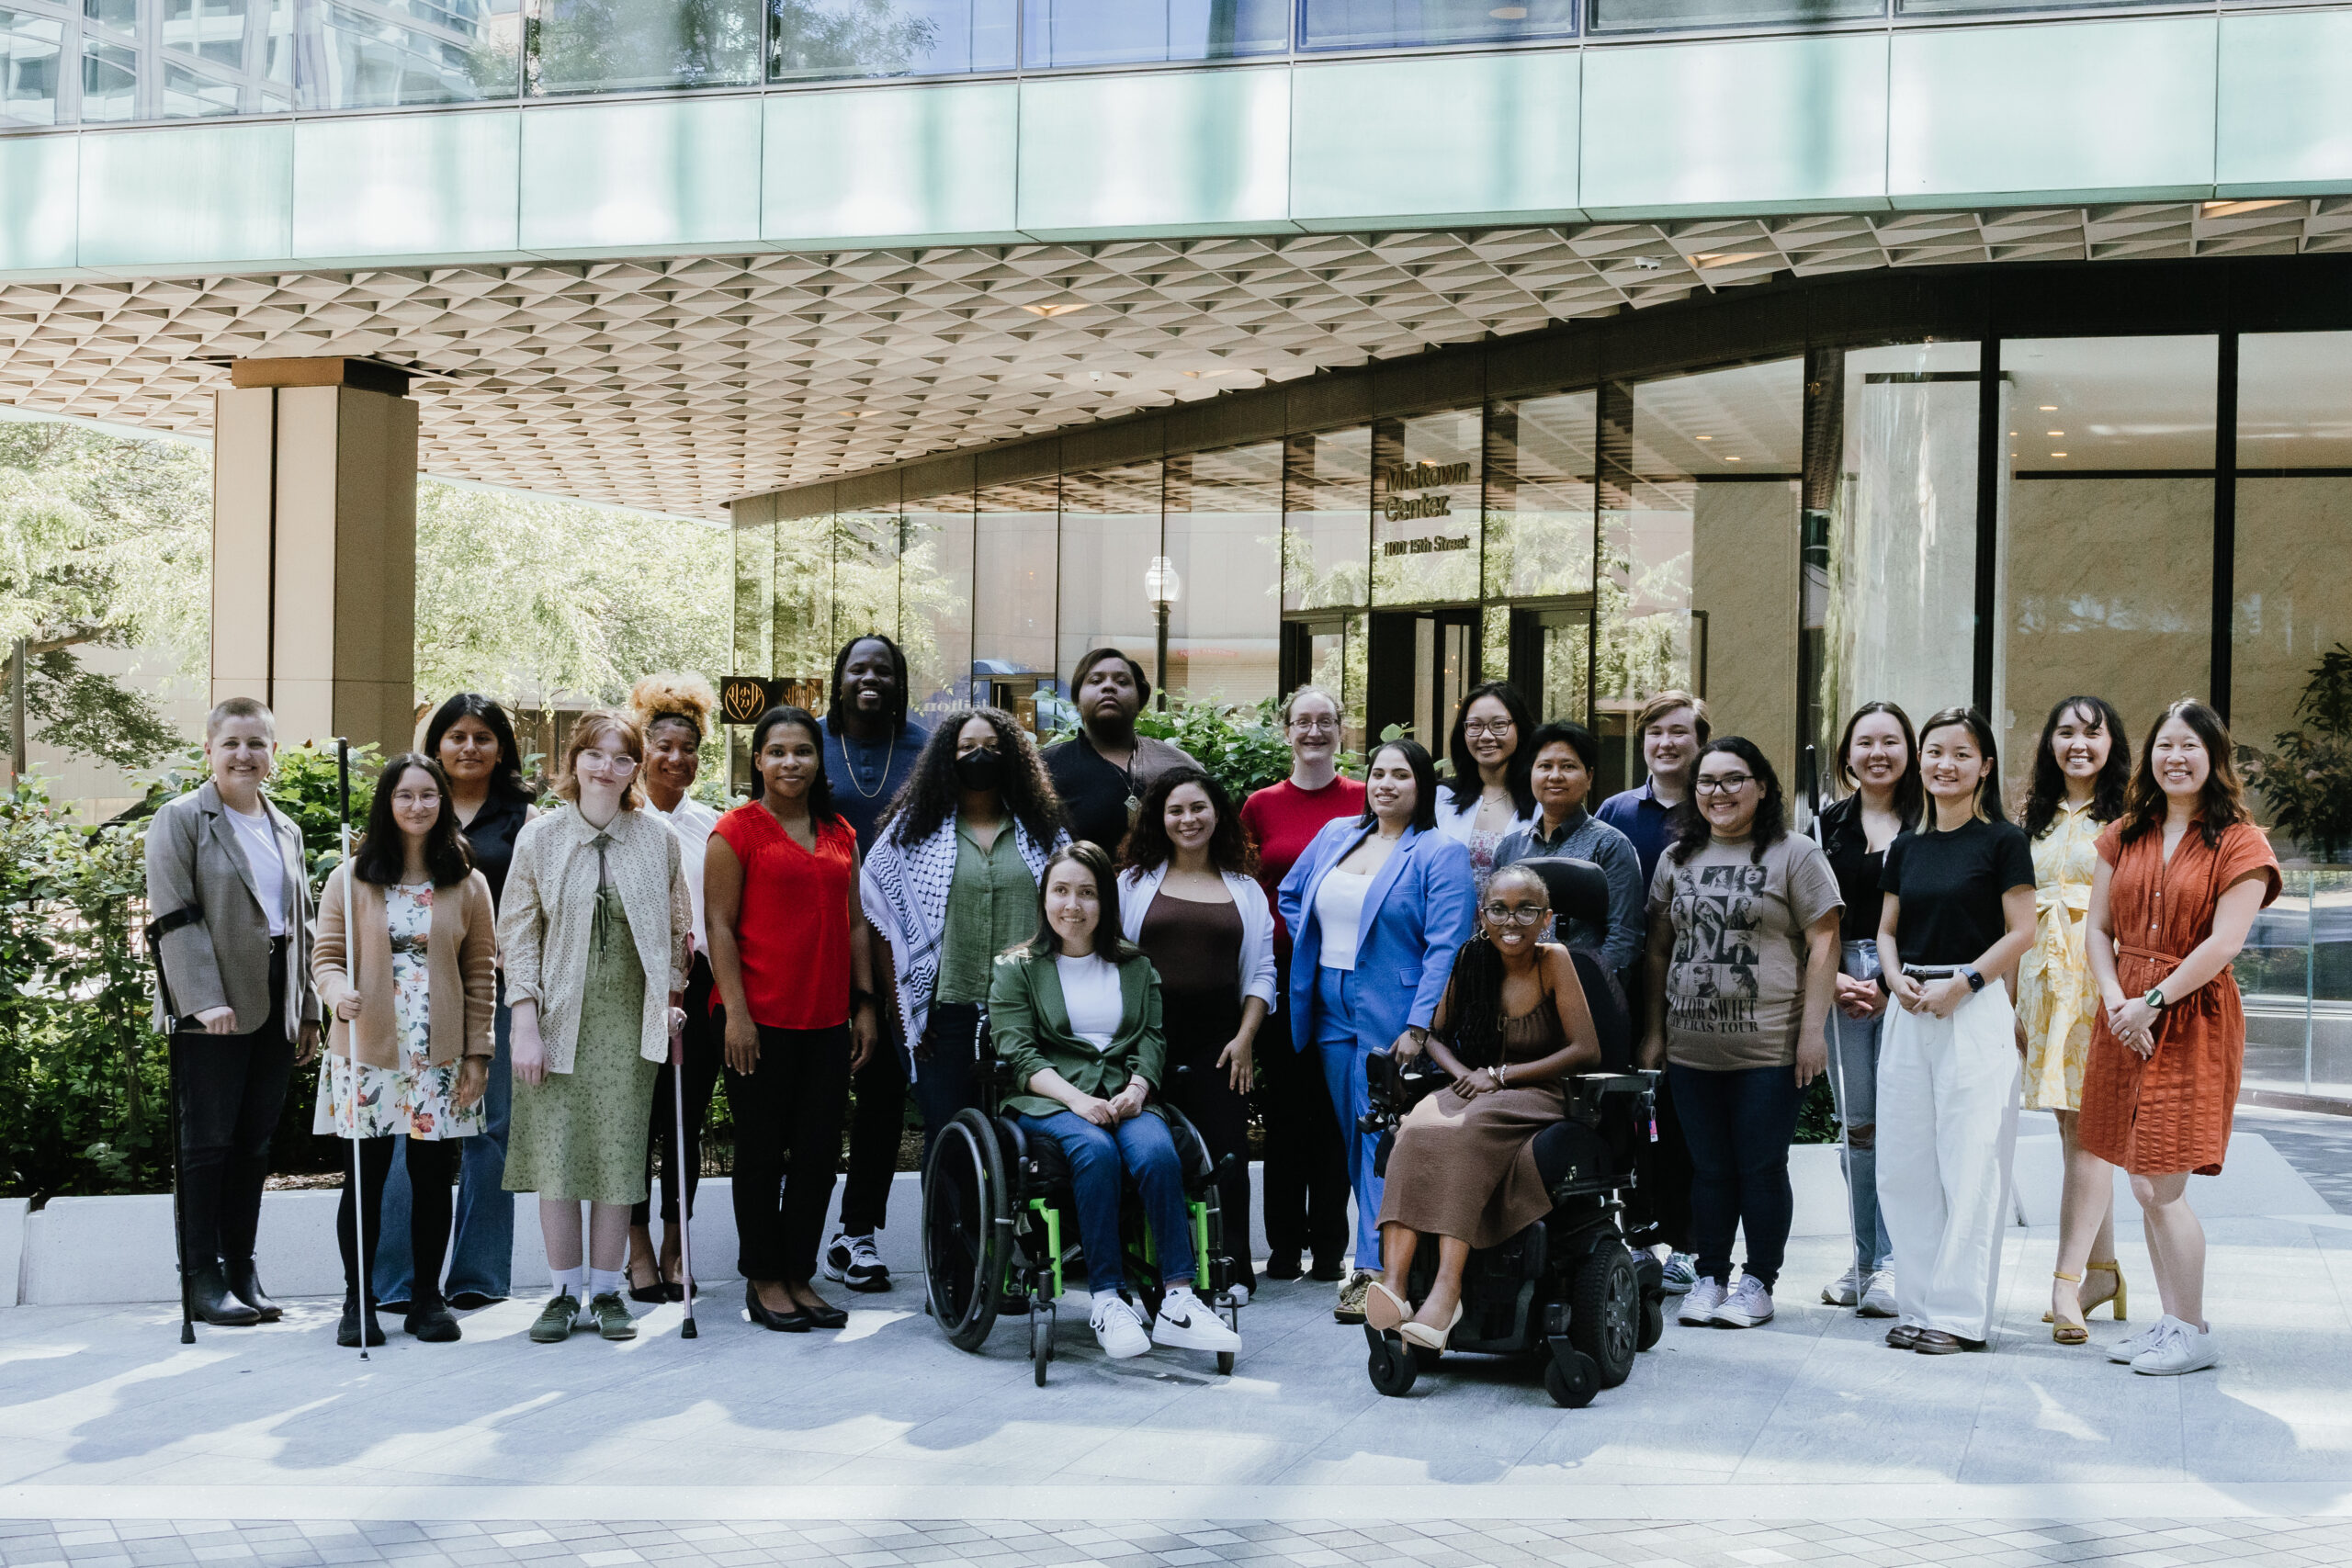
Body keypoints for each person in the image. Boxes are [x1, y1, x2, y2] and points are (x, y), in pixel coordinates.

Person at [2067, 701, 2279, 1374]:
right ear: (2149, 756)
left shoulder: (2241, 842)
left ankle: (2191, 1329)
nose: (2176, 757)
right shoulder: (2125, 833)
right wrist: (2116, 1000)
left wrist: (2153, 1000)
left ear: (2215, 757)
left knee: (2164, 1185)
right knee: (2140, 1181)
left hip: (2189, 1018)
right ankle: (2171, 1321)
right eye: (2165, 745)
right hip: (2124, 1014)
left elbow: (2225, 942)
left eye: (2191, 745)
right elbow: (2097, 928)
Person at [988, 843, 1243, 1362]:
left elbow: (1152, 1038)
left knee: (1156, 1152)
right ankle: (1107, 1299)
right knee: (1095, 1153)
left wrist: (1137, 1090)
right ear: (1045, 898)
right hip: (1052, 1100)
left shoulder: (1135, 967)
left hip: (1127, 1098)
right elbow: (1017, 1050)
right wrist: (1077, 1099)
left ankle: (1178, 1298)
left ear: (1106, 902)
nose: (1073, 906)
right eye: (1061, 891)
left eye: (1087, 893)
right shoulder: (1017, 968)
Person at [499, 712, 693, 1345]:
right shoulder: (541, 838)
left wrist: (672, 998)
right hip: (557, 1018)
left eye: (621, 758)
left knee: (617, 1159)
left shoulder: (657, 838)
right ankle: (560, 1292)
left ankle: (607, 1290)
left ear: (636, 768)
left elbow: (675, 930)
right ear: (574, 759)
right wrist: (524, 1024)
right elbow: (518, 937)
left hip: (626, 1023)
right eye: (594, 755)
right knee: (557, 1159)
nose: (606, 768)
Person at [1641, 739, 1841, 1330]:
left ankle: (1759, 1281)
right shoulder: (1676, 857)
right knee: (1708, 1169)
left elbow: (1825, 940)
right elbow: (1657, 949)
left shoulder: (1794, 854)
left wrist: (1813, 1034)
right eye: (1706, 782)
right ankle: (1709, 1276)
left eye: (1733, 780)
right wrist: (1653, 1032)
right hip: (1691, 1045)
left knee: (1759, 1165)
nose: (1718, 793)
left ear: (1762, 787)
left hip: (1770, 1046)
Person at [1278, 738, 1476, 1324]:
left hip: (1392, 1016)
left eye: (1401, 776)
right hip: (1328, 1007)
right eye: (1378, 773)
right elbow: (1292, 895)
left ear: (1423, 789)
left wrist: (1419, 1024)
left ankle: (1373, 1274)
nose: (1386, 784)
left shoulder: (1438, 852)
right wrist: (1318, 945)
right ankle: (1378, 1264)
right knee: (1351, 1132)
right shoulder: (1338, 834)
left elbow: (1448, 944)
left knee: (1378, 1140)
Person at [1370, 864, 1603, 1349]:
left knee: (1462, 1132)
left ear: (1547, 918)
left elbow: (1586, 1049)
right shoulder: (1471, 959)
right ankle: (1393, 1283)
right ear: (1482, 915)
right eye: (1499, 909)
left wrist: (1501, 1076)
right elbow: (1428, 1033)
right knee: (1414, 1127)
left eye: (1526, 910)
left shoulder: (1554, 960)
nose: (1511, 921)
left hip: (1536, 1090)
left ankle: (1447, 1290)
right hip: (1474, 1086)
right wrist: (1460, 1075)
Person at [142, 696, 321, 1326]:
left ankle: (241, 1266)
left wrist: (308, 1009)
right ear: (209, 750)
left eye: (257, 743)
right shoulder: (183, 818)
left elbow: (299, 923)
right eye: (232, 743)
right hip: (213, 999)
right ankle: (201, 1277)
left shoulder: (287, 828)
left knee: (253, 1144)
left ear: (273, 753)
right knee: (206, 1143)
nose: (244, 754)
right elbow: (174, 915)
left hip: (276, 999)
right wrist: (202, 998)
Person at [311, 753, 496, 1347]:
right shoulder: (350, 877)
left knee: (429, 1176)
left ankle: (425, 1298)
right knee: (362, 1179)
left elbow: (480, 974)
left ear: (442, 803)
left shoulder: (467, 882)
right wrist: (338, 993)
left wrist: (477, 1053)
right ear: (386, 804)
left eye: (428, 795)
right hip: (365, 1046)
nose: (417, 805)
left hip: (439, 1051)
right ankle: (356, 1299)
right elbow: (326, 958)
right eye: (404, 795)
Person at [708, 705, 879, 1333]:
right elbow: (719, 927)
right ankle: (763, 1277)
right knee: (758, 1155)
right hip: (759, 1023)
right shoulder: (736, 831)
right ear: (758, 760)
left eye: (802, 750)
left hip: (827, 1021)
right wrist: (737, 1015)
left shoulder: (839, 832)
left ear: (818, 760)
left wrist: (864, 1005)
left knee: (816, 1155)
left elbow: (856, 922)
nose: (790, 762)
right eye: (776, 750)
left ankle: (800, 1272)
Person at [1874, 705, 2037, 1355]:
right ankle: (1917, 1305)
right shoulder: (1906, 847)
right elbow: (1887, 929)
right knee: (1905, 1165)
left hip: (1973, 1005)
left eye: (1961, 754)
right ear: (1922, 762)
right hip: (1911, 1005)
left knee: (1971, 1164)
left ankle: (1960, 1315)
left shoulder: (2002, 841)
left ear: (1985, 767)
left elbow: (2022, 930)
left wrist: (1963, 984)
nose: (1946, 764)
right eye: (1935, 752)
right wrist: (1894, 979)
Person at [374, 694, 535, 1314]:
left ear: (502, 748)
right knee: (403, 1128)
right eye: (457, 735)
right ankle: (396, 1280)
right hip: (411, 993)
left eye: (483, 736)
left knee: (489, 1130)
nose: (469, 747)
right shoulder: (413, 804)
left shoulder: (524, 816)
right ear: (436, 743)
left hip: (491, 988)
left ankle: (479, 1274)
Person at [861, 707, 1068, 1166]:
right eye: (968, 748)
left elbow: (1073, 906)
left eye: (994, 748)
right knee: (951, 1137)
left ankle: (1012, 1237)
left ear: (1013, 757)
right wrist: (899, 1011)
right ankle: (952, 1237)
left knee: (1028, 1136)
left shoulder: (1041, 830)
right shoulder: (915, 830)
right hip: (944, 1015)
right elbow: (880, 915)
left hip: (1029, 1012)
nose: (981, 756)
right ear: (945, 758)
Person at [1117, 766, 1276, 1301]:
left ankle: (1231, 1270)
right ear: (1159, 820)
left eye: (1199, 808)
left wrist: (1246, 1038)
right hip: (1145, 1042)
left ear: (1218, 815)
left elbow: (1262, 972)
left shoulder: (1246, 890)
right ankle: (1153, 1268)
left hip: (1221, 1044)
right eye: (1176, 810)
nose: (1188, 819)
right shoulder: (1132, 884)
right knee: (1148, 1154)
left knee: (1226, 1157)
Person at [2018, 695, 2133, 1342]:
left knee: (2091, 1128)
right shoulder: (2030, 818)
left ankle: (2066, 1284)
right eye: (2065, 731)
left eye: (2092, 732)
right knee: (2075, 1130)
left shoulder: (2131, 816)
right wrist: (2012, 999)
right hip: (2041, 986)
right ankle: (2102, 1270)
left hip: (2099, 983)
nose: (2078, 743)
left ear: (2113, 742)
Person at [820, 633, 933, 1294]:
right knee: (813, 1096)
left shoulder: (924, 749)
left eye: (883, 669)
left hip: (895, 947)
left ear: (898, 681)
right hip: (812, 940)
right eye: (858, 667)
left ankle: (855, 1233)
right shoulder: (807, 739)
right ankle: (788, 1235)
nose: (871, 678)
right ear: (839, 680)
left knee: (884, 1095)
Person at [1239, 685, 1362, 1284]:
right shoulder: (1260, 805)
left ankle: (1331, 1248)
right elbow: (1243, 888)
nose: (1314, 731)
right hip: (1283, 974)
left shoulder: (1366, 801)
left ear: (1342, 729)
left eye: (1325, 721)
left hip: (1345, 974)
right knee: (1287, 1115)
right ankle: (1284, 1248)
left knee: (1337, 1111)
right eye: (1302, 721)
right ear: (1286, 731)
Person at [1595, 689, 1709, 1294]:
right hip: (1627, 990)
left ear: (1700, 740)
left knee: (1689, 1118)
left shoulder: (1715, 807)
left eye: (1679, 732)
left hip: (1697, 988)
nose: (1665, 743)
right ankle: (1634, 1238)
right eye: (1655, 732)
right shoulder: (1614, 812)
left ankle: (1689, 1243)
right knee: (1629, 1115)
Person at [1812, 700, 1921, 1318]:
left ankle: (1898, 1262)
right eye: (1865, 741)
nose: (1877, 752)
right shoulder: (1826, 826)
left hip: (1909, 980)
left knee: (1903, 1123)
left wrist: (1886, 980)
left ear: (1908, 750)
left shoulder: (1929, 820)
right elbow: (1811, 916)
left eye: (1890, 740)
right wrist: (1832, 984)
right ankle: (1864, 1259)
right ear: (1847, 753)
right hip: (1838, 981)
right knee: (1858, 1127)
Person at [621, 673, 723, 1304]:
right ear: (643, 748)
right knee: (635, 1121)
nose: (676, 759)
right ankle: (635, 1249)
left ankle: (675, 1244)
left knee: (683, 1121)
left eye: (688, 747)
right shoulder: (621, 820)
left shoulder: (714, 826)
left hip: (698, 985)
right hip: (631, 987)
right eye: (664, 745)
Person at [1492, 719, 1644, 980]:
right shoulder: (1510, 847)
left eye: (1568, 766)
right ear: (1531, 773)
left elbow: (1624, 936)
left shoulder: (1611, 845)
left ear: (1589, 777)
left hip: (1585, 993)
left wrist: (1588, 991)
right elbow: (1492, 921)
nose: (1555, 776)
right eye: (1545, 766)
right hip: (1514, 988)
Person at [1041, 647, 1198, 855]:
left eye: (1122, 682)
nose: (1109, 687)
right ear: (1077, 700)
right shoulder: (1045, 768)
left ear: (1140, 701)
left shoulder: (1175, 763)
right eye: (1096, 681)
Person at [1435, 681, 1538, 892]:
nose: (1486, 736)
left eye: (1498, 724)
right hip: (1450, 921)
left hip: (1516, 923)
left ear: (1519, 728)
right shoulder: (1441, 797)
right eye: (1475, 726)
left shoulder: (1540, 802)